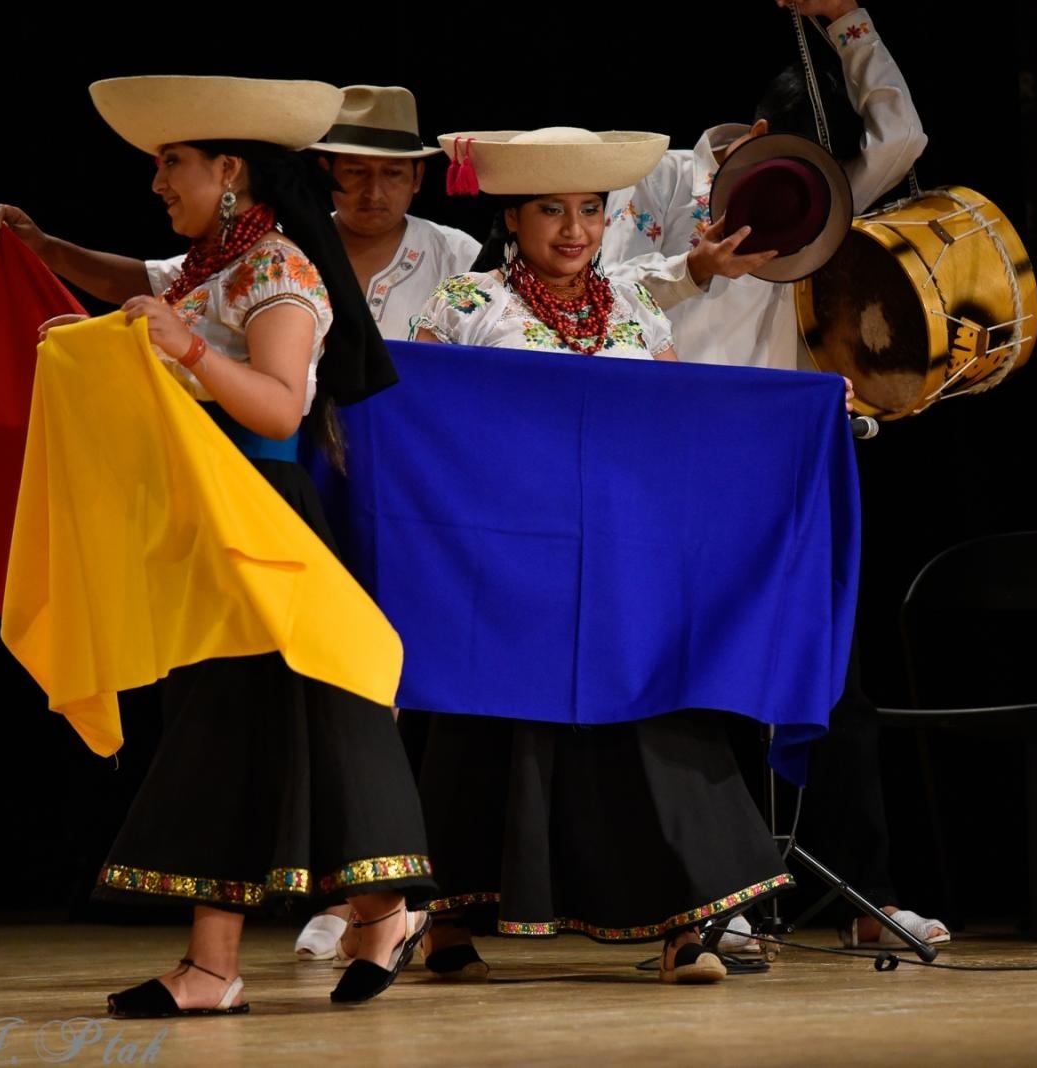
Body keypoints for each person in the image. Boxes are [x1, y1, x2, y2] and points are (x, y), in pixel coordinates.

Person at [0, 75, 436, 1013]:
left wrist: (181, 348)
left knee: (233, 722)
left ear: (229, 170)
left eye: (172, 163)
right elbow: (133, 283)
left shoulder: (278, 269)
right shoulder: (209, 266)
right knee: (276, 725)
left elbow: (278, 406)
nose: (157, 182)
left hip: (260, 511)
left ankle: (223, 964)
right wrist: (49, 255)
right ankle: (377, 911)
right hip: (208, 516)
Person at [407, 127, 795, 984]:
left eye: (590, 209)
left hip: (623, 557)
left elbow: (678, 420)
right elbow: (419, 420)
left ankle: (685, 927)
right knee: (488, 729)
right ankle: (446, 921)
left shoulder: (632, 305)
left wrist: (793, 412)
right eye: (551, 209)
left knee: (655, 719)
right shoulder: (465, 304)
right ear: (513, 218)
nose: (575, 229)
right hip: (508, 559)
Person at [602, 0, 948, 950]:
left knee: (833, 679)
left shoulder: (819, 186)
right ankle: (717, 897)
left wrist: (848, 21)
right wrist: (695, 267)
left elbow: (901, 135)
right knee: (698, 681)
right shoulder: (660, 179)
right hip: (674, 461)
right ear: (757, 137)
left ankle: (866, 899)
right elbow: (605, 296)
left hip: (789, 461)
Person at [291, 83, 479, 964]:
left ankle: (398, 895)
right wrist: (47, 251)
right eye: (357, 173)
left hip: (425, 497)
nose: (374, 191)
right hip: (315, 478)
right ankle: (348, 889)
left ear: (418, 179)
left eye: (393, 175)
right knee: (336, 677)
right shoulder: (294, 244)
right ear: (328, 171)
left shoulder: (456, 255)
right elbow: (158, 278)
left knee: (411, 681)